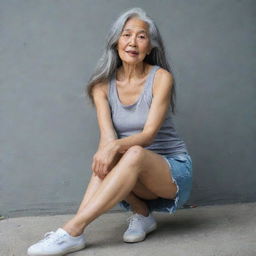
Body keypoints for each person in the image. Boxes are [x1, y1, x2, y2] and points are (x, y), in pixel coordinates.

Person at [27, 7, 193, 256]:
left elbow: (148, 135)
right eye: (127, 35)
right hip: (131, 172)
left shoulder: (161, 78)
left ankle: (72, 230)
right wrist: (109, 150)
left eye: (141, 36)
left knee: (131, 151)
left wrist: (114, 148)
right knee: (111, 154)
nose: (133, 42)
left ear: (150, 47)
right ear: (116, 41)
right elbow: (108, 137)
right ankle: (132, 217)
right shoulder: (101, 85)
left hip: (171, 172)